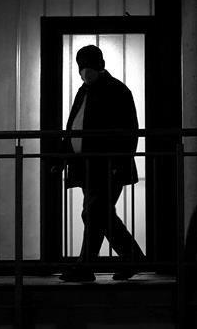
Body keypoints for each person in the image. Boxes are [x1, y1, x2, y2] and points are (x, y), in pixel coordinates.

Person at [57, 44, 146, 282]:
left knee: (94, 212)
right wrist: (63, 157)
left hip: (106, 166)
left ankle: (87, 266)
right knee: (99, 213)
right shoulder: (88, 91)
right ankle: (132, 257)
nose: (85, 72)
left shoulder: (115, 91)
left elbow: (129, 131)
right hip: (92, 166)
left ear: (100, 66)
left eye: (88, 66)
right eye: (82, 67)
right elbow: (73, 128)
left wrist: (119, 161)